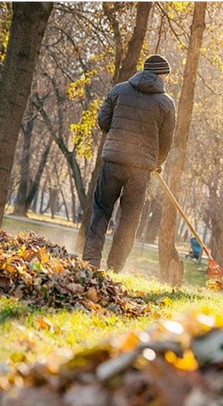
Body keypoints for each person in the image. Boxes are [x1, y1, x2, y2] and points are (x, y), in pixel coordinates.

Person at [82, 54, 176, 272]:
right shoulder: (166, 103)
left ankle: (91, 260)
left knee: (101, 210)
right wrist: (157, 162)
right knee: (129, 218)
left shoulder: (119, 90)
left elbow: (103, 120)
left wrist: (117, 135)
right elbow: (166, 141)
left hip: (113, 161)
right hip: (140, 169)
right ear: (161, 75)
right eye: (165, 75)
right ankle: (115, 267)